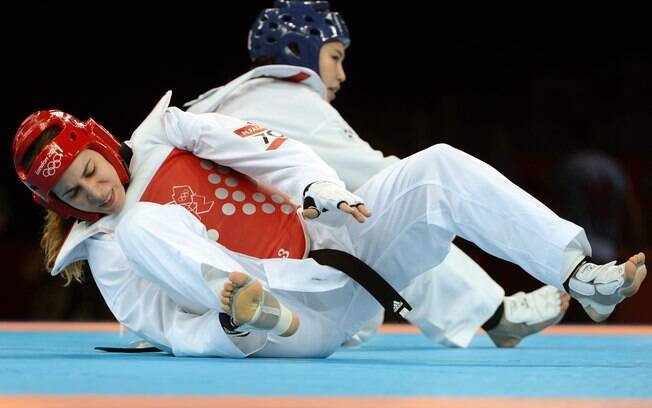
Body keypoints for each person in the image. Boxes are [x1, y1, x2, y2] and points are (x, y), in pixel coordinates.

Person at [13, 90, 646, 358]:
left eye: (92, 171)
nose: (95, 192)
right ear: (62, 207)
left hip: (342, 259)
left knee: (439, 169)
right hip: (283, 326)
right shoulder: (109, 248)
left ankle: (579, 272)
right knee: (138, 228)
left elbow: (266, 146)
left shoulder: (171, 133)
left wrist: (320, 188)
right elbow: (164, 327)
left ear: (99, 142)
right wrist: (231, 330)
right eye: (74, 194)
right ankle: (249, 303)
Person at [185, 0, 567, 347]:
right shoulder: (289, 98)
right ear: (299, 52)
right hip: (264, 280)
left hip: (206, 287)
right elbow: (384, 176)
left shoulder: (218, 101)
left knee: (347, 229)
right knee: (399, 217)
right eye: (335, 57)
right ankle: (497, 313)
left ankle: (357, 321)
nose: (342, 74)